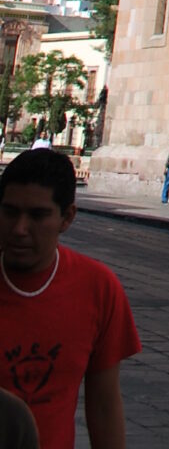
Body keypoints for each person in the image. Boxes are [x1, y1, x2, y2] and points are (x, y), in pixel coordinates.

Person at [0, 147, 140, 449]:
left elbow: (104, 404)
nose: (19, 229)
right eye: (10, 212)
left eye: (37, 215)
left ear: (67, 218)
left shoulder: (98, 288)